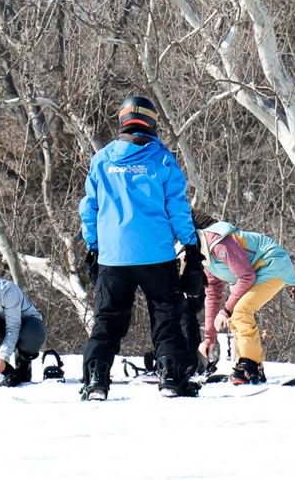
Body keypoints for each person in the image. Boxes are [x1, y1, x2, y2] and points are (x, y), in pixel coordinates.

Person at [79, 96, 205, 400]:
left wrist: (93, 245)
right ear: (152, 122)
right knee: (166, 316)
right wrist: (189, 243)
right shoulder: (161, 159)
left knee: (107, 319)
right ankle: (171, 378)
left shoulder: (103, 159)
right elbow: (177, 206)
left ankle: (96, 379)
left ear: (123, 120)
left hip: (113, 255)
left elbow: (89, 207)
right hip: (155, 254)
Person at [194, 211, 295, 385]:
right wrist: (209, 339)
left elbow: (246, 276)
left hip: (271, 264)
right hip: (256, 271)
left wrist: (226, 310)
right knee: (236, 314)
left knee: (240, 311)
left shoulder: (219, 243)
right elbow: (212, 293)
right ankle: (251, 366)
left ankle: (249, 365)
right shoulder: (204, 257)